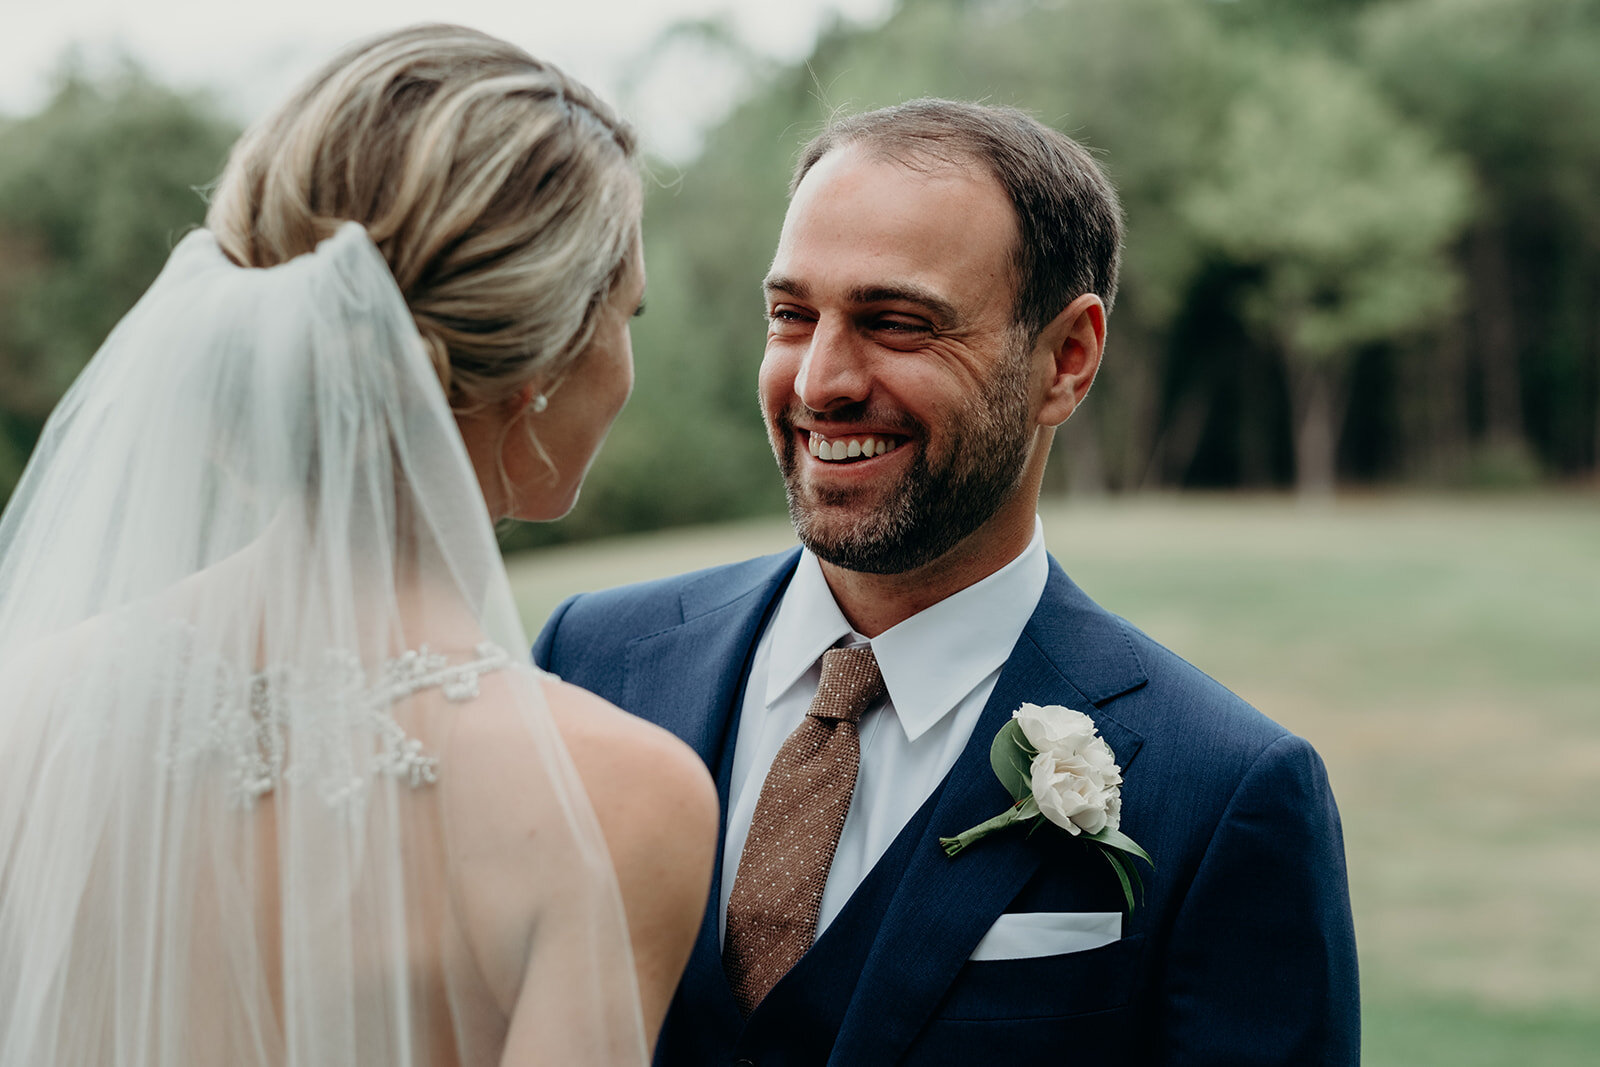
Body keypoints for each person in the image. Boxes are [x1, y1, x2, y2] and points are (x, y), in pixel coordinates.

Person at [535, 99, 1360, 1065]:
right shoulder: (589, 663)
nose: (819, 382)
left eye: (896, 322)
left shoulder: (1226, 792)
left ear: (1068, 358)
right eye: (793, 316)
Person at [0, 24, 716, 1067]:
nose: (627, 356)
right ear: (544, 363)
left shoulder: (27, 706)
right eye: (627, 311)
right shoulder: (616, 797)